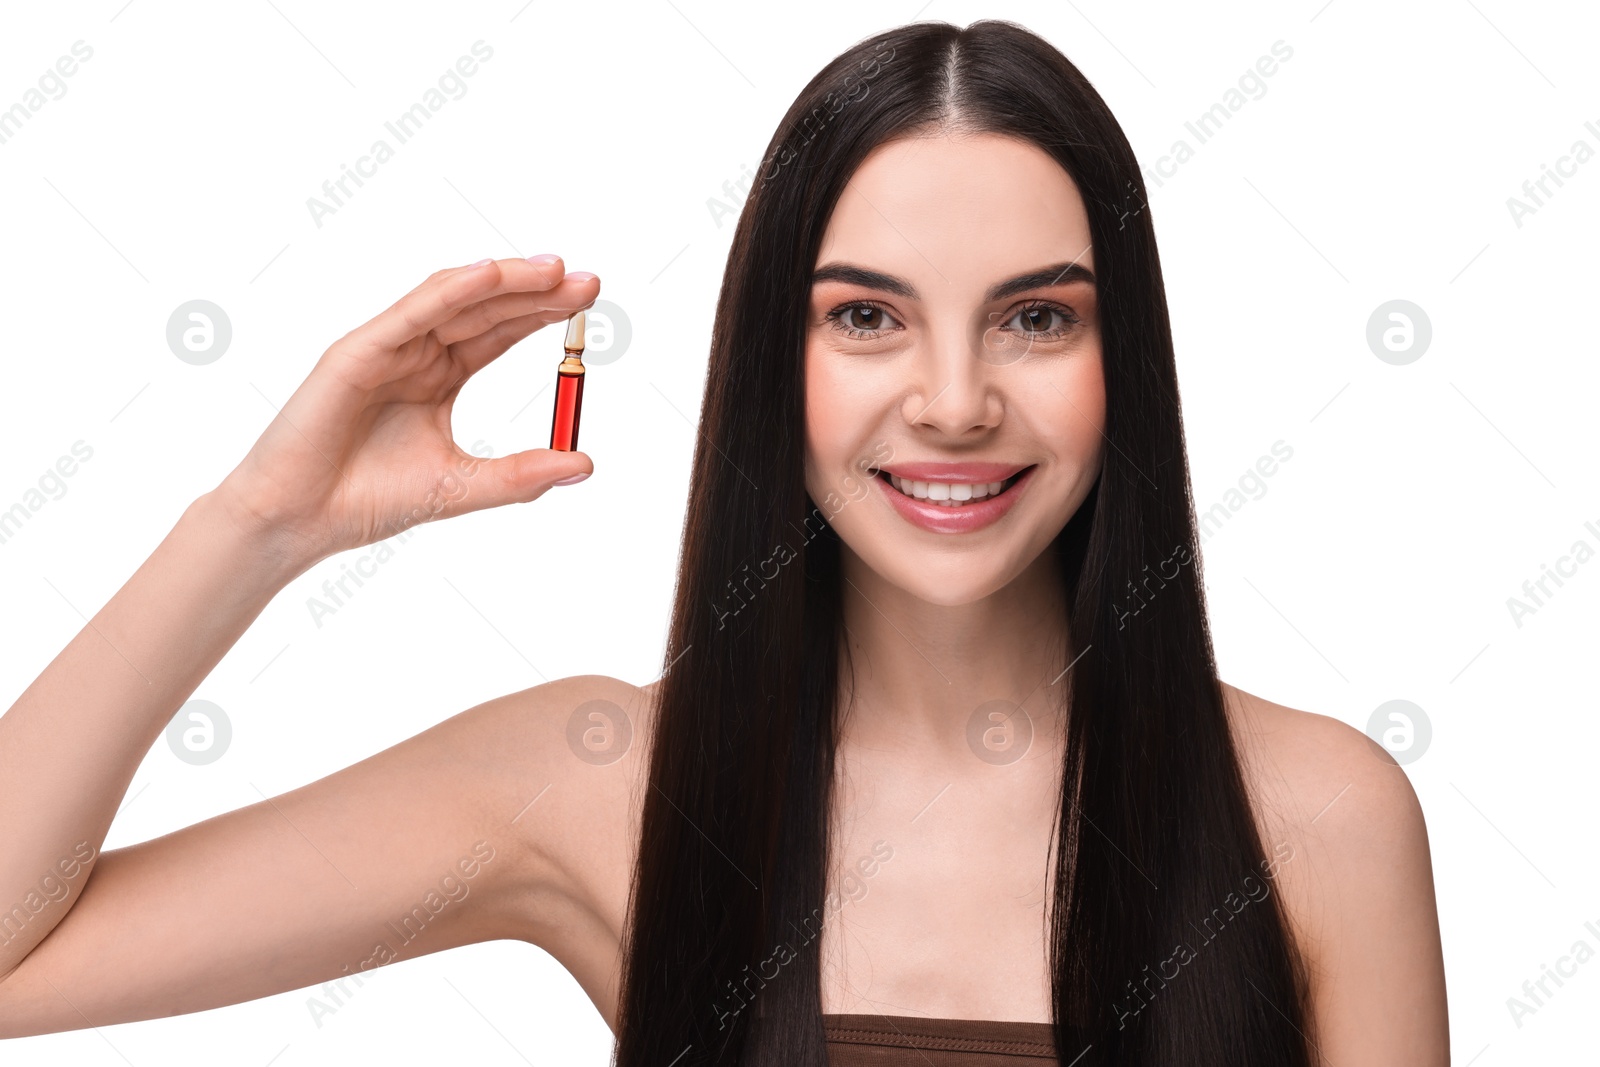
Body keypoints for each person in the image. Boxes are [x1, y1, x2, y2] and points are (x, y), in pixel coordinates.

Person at [0, 18, 1447, 1066]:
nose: (953, 402)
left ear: (1122, 354)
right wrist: (262, 522)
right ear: (776, 357)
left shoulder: (1321, 815)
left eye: (1037, 316)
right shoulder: (596, 786)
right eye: (866, 316)